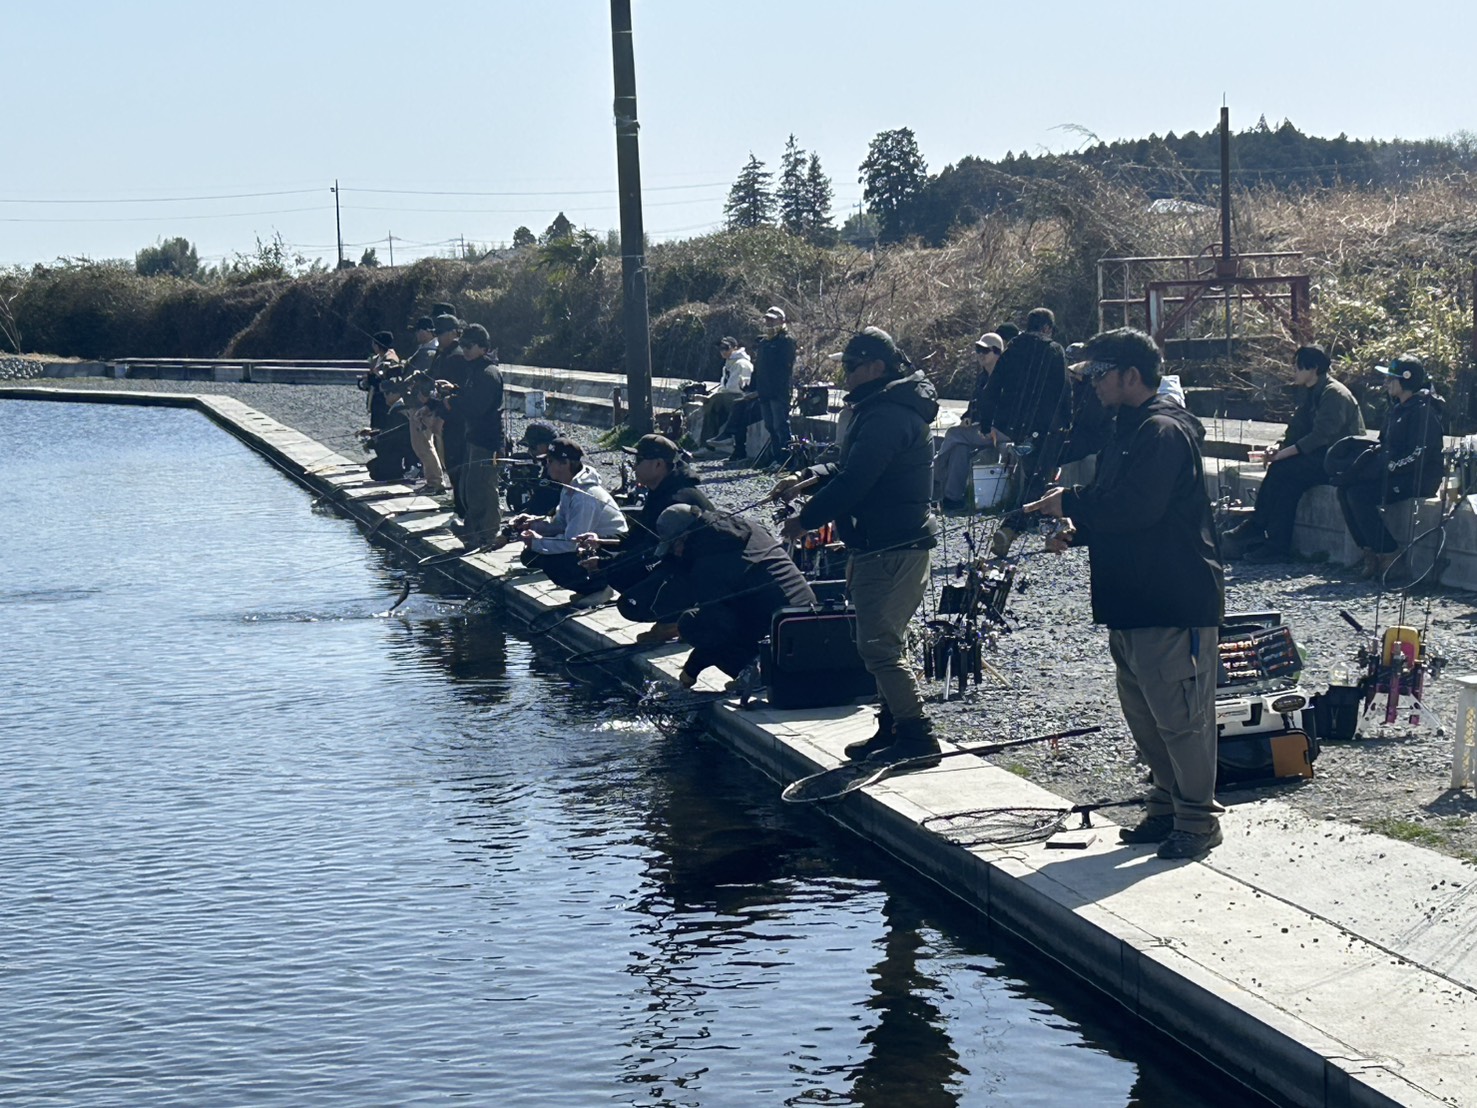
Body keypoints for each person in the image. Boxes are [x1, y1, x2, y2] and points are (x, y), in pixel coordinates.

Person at [1025, 327, 1225, 860]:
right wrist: (1077, 530)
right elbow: (1116, 505)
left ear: (1130, 375)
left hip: (1172, 599)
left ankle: (1198, 821)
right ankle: (1165, 809)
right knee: (1147, 718)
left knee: (1182, 721)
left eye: (1098, 372)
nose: (1090, 382)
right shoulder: (1126, 429)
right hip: (1131, 600)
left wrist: (1070, 502)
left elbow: (1138, 508)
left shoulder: (1162, 431)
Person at [775, 326, 939, 762]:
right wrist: (807, 479)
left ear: (876, 367)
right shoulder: (882, 409)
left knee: (879, 646)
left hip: (891, 548)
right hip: (883, 545)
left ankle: (918, 737)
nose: (844, 374)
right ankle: (891, 728)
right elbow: (851, 468)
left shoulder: (887, 415)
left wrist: (805, 521)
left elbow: (857, 481)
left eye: (850, 366)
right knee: (881, 643)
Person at [640, 504, 815, 691]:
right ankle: (758, 668)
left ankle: (756, 674)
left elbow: (713, 626)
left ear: (686, 536)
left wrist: (691, 670)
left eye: (674, 547)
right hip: (811, 621)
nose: (676, 554)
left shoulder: (708, 563)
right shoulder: (743, 528)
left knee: (692, 623)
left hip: (780, 635)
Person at [1226, 344, 1365, 563]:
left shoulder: (1334, 394)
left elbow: (1321, 436)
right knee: (1288, 487)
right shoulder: (1310, 393)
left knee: (1282, 468)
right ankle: (1277, 546)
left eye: (1299, 367)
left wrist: (1283, 455)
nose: (1295, 372)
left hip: (1340, 460)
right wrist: (1278, 446)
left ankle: (1256, 525)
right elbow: (1296, 430)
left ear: (1314, 368)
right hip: (1321, 457)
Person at [579, 434, 715, 641]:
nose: (634, 467)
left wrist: (604, 563)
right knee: (615, 566)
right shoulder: (660, 490)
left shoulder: (675, 498)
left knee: (629, 600)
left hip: (693, 572)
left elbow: (651, 550)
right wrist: (601, 541)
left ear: (658, 464)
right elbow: (638, 535)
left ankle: (675, 620)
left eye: (639, 460)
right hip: (674, 562)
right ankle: (671, 616)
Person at [1335, 353, 1446, 580]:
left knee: (1360, 495)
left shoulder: (1423, 411)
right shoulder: (1396, 408)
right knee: (1345, 489)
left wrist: (1389, 469)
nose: (1386, 383)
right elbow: (1384, 443)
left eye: (1391, 378)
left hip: (1418, 478)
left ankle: (1390, 556)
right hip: (1396, 473)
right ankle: (1370, 552)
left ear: (1405, 380)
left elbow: (1418, 454)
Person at [516, 438, 627, 606]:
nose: (546, 466)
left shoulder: (584, 496)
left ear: (565, 463)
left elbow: (571, 543)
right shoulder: (569, 487)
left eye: (550, 461)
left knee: (551, 561)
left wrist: (537, 542)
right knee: (531, 556)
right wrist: (536, 526)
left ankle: (599, 587)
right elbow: (561, 524)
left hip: (607, 556)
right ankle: (588, 587)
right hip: (587, 549)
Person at [976, 306, 1070, 502]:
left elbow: (991, 389)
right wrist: (1067, 421)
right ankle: (1030, 509)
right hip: (1044, 423)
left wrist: (986, 424)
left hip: (1014, 423)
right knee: (1040, 472)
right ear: (1046, 328)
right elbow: (1064, 389)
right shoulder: (1054, 350)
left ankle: (1021, 506)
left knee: (1025, 466)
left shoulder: (1012, 350)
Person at [709, 306, 796, 464]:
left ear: (782, 320)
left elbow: (784, 371)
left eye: (773, 320)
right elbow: (759, 369)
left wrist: (765, 390)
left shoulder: (786, 341)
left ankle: (786, 460)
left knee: (781, 426)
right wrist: (751, 388)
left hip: (778, 393)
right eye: (767, 320)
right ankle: (776, 459)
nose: (769, 323)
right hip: (764, 393)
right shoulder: (764, 343)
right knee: (771, 427)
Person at [446, 324, 504, 547]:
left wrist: (452, 402)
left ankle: (487, 534)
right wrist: (454, 391)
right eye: (462, 345)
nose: (465, 350)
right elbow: (470, 397)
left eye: (469, 346)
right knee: (469, 487)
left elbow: (476, 408)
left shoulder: (488, 373)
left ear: (483, 347)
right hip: (473, 437)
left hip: (487, 440)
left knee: (483, 487)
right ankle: (472, 530)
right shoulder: (476, 370)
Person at [933, 332, 1004, 509]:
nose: (980, 354)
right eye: (978, 349)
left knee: (953, 433)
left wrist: (987, 426)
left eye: (985, 350)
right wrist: (967, 418)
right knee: (960, 448)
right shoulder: (982, 378)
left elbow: (1004, 409)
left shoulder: (1005, 378)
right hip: (982, 428)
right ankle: (952, 499)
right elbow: (974, 406)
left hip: (999, 431)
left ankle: (933, 472)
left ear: (997, 352)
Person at [428, 315, 468, 518]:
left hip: (456, 420)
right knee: (450, 463)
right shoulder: (443, 354)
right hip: (446, 415)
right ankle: (458, 504)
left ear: (453, 332)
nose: (438, 337)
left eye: (441, 333)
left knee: (456, 463)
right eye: (436, 333)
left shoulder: (457, 356)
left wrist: (440, 417)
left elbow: (456, 395)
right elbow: (439, 390)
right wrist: (428, 407)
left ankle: (462, 508)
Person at [693, 337, 752, 451]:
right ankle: (707, 445)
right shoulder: (728, 364)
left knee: (714, 401)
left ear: (735, 348)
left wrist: (712, 397)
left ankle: (709, 445)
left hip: (740, 397)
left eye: (726, 348)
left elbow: (734, 388)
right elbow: (724, 386)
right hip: (728, 396)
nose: (723, 351)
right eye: (720, 349)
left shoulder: (741, 363)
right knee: (711, 405)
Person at [364, 376, 418, 482]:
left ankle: (404, 469)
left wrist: (374, 440)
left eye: (386, 393)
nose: (384, 396)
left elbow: (395, 434)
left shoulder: (399, 410)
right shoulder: (399, 406)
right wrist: (371, 433)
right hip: (401, 445)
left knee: (376, 471)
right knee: (372, 466)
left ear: (395, 393)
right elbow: (391, 430)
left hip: (404, 448)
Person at [405, 372, 449, 496]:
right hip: (422, 405)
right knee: (422, 447)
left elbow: (434, 377)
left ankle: (435, 482)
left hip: (424, 407)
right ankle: (433, 481)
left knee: (425, 446)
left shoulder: (446, 360)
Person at [357, 331, 401, 432]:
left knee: (382, 429)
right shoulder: (376, 358)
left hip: (384, 400)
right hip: (375, 400)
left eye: (374, 343)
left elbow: (387, 379)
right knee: (375, 428)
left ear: (378, 345)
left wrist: (371, 379)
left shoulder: (390, 359)